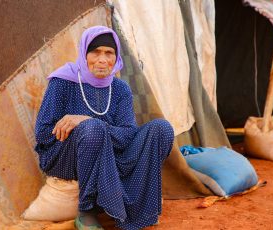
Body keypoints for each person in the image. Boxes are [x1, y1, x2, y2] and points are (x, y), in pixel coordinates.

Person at [34, 25, 174, 230]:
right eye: (95, 52)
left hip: (112, 154)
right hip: (66, 156)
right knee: (92, 130)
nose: (102, 59)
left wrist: (86, 120)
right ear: (84, 53)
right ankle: (87, 212)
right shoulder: (63, 81)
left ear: (116, 59)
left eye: (109, 53)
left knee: (162, 129)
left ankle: (138, 206)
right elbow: (43, 133)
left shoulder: (119, 89)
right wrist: (81, 128)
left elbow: (127, 135)